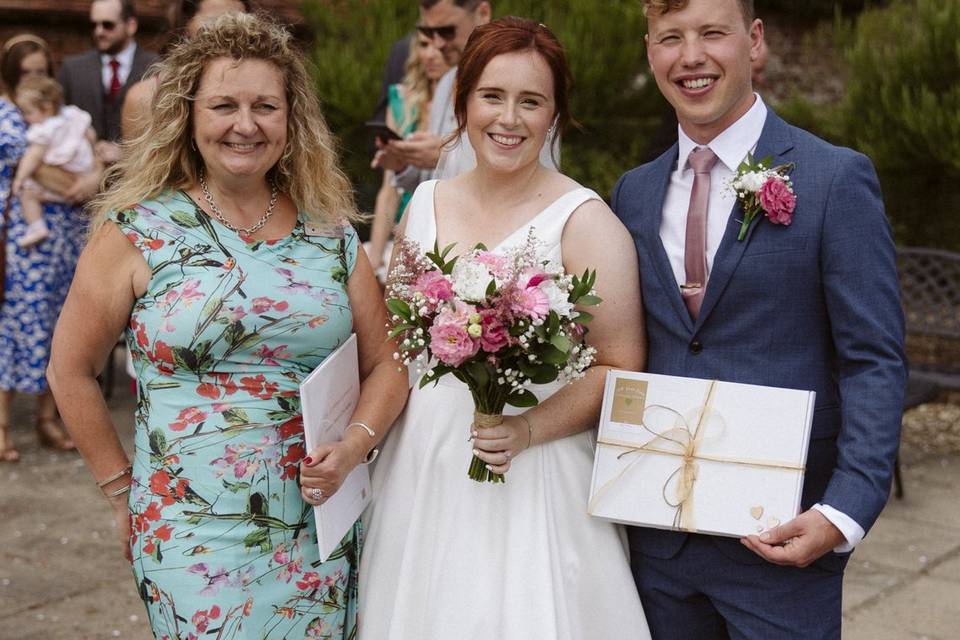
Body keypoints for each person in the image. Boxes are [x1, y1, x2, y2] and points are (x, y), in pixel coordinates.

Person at [46, 13, 408, 638]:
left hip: (316, 529)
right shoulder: (138, 230)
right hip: (188, 531)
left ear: (291, 121)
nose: (246, 124)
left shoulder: (330, 235)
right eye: (224, 106)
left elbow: (388, 364)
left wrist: (353, 447)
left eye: (266, 106)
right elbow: (69, 370)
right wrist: (120, 490)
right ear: (189, 117)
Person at [611, 0, 907, 637]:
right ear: (650, 51)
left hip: (783, 539)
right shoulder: (632, 193)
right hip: (659, 544)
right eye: (671, 38)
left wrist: (843, 511)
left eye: (712, 33)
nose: (691, 56)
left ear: (755, 42)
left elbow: (872, 360)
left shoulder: (834, 180)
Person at [360, 17, 651, 639]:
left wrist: (525, 429)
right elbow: (399, 346)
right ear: (463, 101)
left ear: (555, 115)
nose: (509, 119)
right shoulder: (426, 208)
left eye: (531, 101)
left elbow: (620, 365)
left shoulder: (585, 221)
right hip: (425, 466)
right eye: (492, 96)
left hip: (535, 468)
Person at [0, 34, 99, 463]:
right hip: (24, 239)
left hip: (66, 235)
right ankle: (1, 424)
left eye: (43, 71)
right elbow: (49, 170)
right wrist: (84, 178)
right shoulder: (7, 116)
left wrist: (93, 174)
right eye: (28, 73)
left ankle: (47, 418)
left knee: (62, 322)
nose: (36, 79)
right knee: (16, 323)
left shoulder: (60, 114)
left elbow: (90, 160)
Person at [374, 0, 558, 191]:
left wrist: (443, 155)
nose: (437, 44)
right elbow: (435, 180)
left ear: (483, 12)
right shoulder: (446, 82)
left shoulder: (531, 75)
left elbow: (528, 172)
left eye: (447, 31)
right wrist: (406, 163)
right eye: (428, 32)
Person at [365, 30, 451, 278]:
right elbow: (389, 189)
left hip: (446, 225)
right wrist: (375, 260)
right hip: (406, 221)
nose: (431, 54)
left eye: (440, 47)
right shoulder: (402, 101)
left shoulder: (468, 105)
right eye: (424, 45)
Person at [121, 0, 251, 140]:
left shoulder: (263, 92)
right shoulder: (147, 98)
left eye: (240, 22)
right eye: (215, 21)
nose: (229, 32)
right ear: (185, 25)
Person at [58, 0, 158, 164]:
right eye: (94, 25)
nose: (99, 31)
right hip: (82, 175)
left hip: (138, 174)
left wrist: (125, 153)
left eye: (108, 25)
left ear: (131, 25)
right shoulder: (72, 68)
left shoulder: (158, 67)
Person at [12, 76, 97, 248]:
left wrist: (20, 178)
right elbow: (90, 134)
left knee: (28, 194)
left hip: (63, 177)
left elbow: (33, 157)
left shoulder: (43, 129)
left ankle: (37, 227)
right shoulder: (72, 114)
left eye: (28, 112)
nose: (26, 118)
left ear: (47, 107)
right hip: (85, 171)